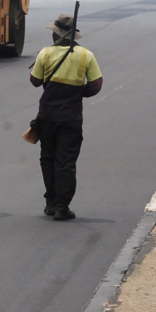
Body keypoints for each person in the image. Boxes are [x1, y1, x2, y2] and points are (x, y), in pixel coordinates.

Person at [30, 14, 103, 221]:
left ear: (57, 35)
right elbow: (96, 85)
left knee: (48, 159)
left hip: (47, 117)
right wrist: (77, 92)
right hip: (71, 117)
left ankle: (51, 202)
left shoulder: (45, 54)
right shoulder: (86, 55)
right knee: (66, 162)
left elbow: (35, 81)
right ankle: (63, 206)